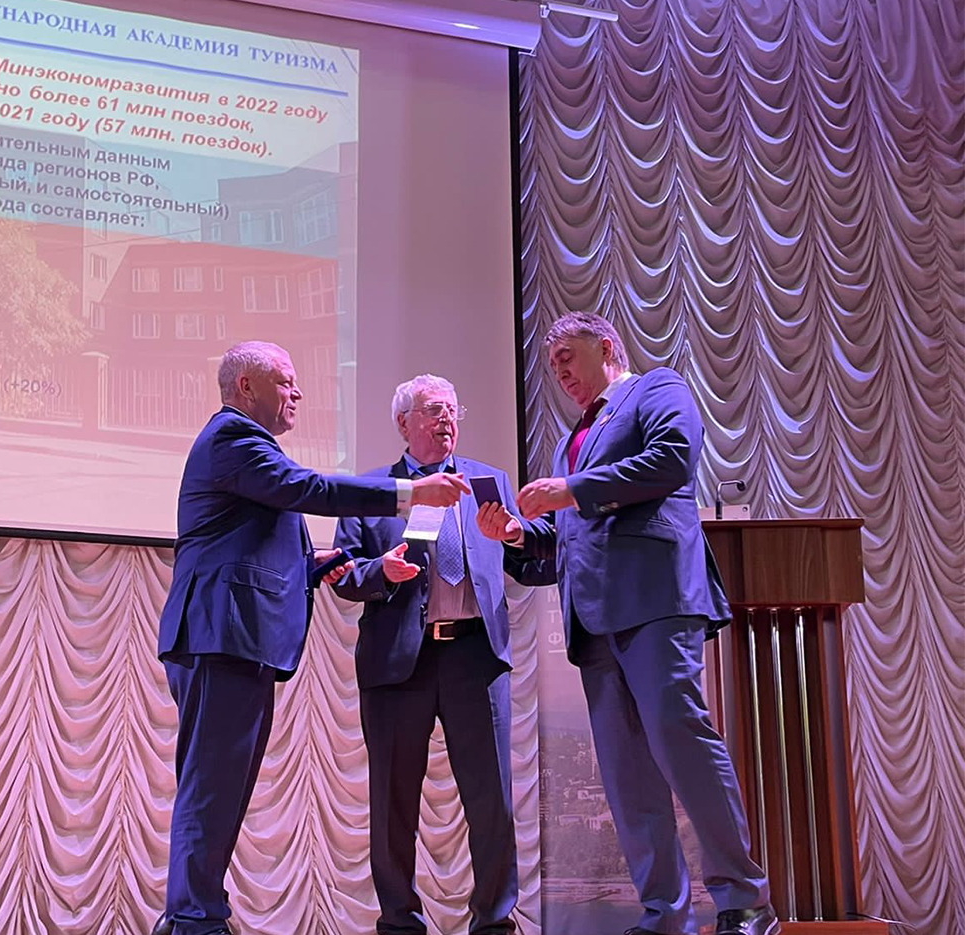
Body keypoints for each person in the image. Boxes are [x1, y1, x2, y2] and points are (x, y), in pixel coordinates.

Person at [152, 343, 469, 935]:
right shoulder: (233, 438)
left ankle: (196, 915)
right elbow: (311, 490)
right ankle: (193, 920)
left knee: (224, 792)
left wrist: (314, 564)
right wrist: (410, 494)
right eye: (286, 381)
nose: (298, 392)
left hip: (238, 641)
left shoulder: (249, 447)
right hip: (222, 637)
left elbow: (246, 542)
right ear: (246, 387)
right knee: (211, 791)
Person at [477, 314, 778, 935]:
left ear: (607, 346)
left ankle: (746, 901)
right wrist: (517, 534)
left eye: (567, 354)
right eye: (552, 363)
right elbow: (563, 539)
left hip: (655, 600)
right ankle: (664, 914)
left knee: (681, 742)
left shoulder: (656, 388)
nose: (558, 370)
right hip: (594, 622)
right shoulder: (570, 441)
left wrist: (571, 490)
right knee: (626, 775)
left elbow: (671, 461)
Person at [331, 374, 528, 935]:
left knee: (492, 802)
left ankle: (494, 923)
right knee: (393, 807)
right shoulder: (373, 490)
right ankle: (399, 923)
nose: (446, 419)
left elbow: (524, 559)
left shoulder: (489, 483)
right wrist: (380, 571)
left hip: (475, 658)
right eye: (433, 410)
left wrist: (516, 533)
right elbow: (345, 573)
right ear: (404, 423)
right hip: (399, 665)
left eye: (452, 410)